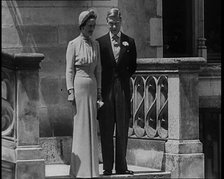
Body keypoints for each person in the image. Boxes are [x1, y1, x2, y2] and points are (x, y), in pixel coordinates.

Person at [96, 7, 137, 175]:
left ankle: (121, 166)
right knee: (106, 128)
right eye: (111, 23)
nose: (114, 27)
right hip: (106, 90)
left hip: (122, 88)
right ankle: (107, 167)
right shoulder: (100, 43)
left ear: (121, 22)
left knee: (122, 126)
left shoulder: (130, 41)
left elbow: (133, 65)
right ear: (107, 22)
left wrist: (123, 78)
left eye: (116, 23)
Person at [65, 9, 102, 178]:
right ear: (82, 26)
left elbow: (99, 70)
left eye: (93, 26)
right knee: (80, 126)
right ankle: (79, 171)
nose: (91, 29)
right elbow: (69, 70)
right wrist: (70, 91)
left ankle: (92, 170)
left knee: (92, 127)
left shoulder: (96, 45)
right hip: (79, 87)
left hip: (92, 87)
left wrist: (99, 91)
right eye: (89, 26)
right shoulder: (73, 44)